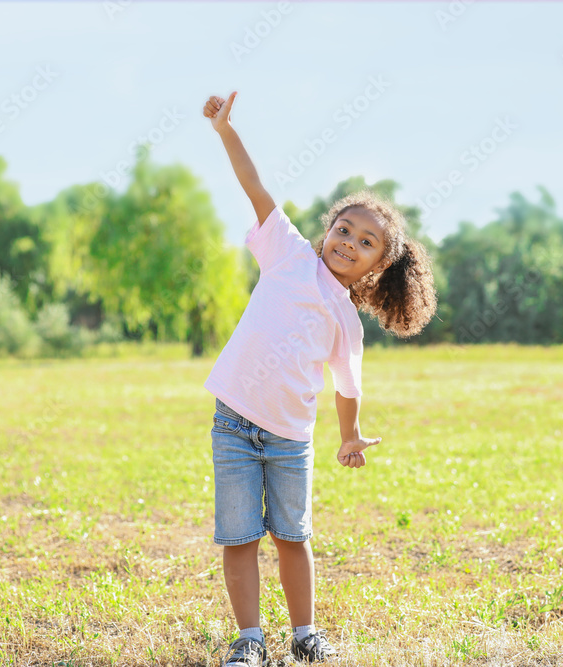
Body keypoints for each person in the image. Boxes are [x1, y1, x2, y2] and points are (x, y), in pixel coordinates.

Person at [200, 90, 438, 666]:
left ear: (377, 266)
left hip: (290, 441)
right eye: (345, 229)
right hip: (233, 423)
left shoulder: (345, 319)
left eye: (365, 243)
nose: (348, 243)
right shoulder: (286, 252)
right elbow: (253, 185)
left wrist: (349, 435)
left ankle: (305, 635)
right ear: (329, 226)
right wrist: (226, 130)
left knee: (292, 539)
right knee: (238, 538)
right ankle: (249, 641)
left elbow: (347, 384)